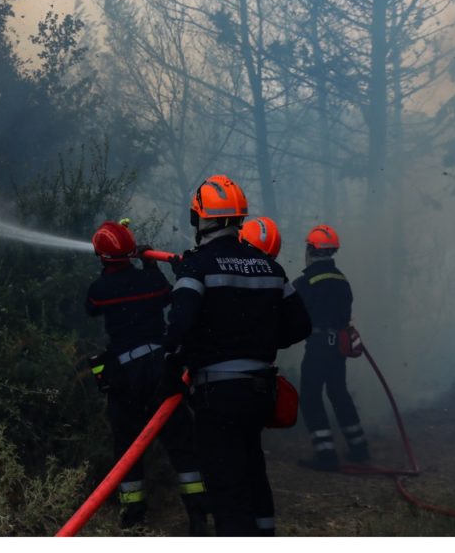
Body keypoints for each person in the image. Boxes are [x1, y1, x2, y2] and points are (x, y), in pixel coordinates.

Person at [161, 177, 312, 536]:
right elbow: (301, 325)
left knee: (226, 487)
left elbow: (178, 325)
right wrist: (255, 342)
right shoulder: (268, 266)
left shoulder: (197, 266)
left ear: (200, 218)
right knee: (253, 469)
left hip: (218, 396)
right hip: (261, 393)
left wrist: (170, 364)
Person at [86, 221, 209, 535]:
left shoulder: (100, 290)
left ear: (102, 257)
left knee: (127, 445)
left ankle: (134, 515)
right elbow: (167, 296)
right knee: (181, 443)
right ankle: (197, 516)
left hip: (124, 376)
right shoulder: (149, 281)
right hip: (160, 368)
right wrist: (150, 264)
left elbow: (92, 308)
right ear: (132, 251)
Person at [293, 224, 370, 470]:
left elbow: (293, 316)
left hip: (318, 348)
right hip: (338, 348)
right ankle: (359, 448)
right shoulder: (342, 281)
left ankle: (326, 454)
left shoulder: (305, 283)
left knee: (310, 397)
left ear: (310, 249)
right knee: (339, 394)